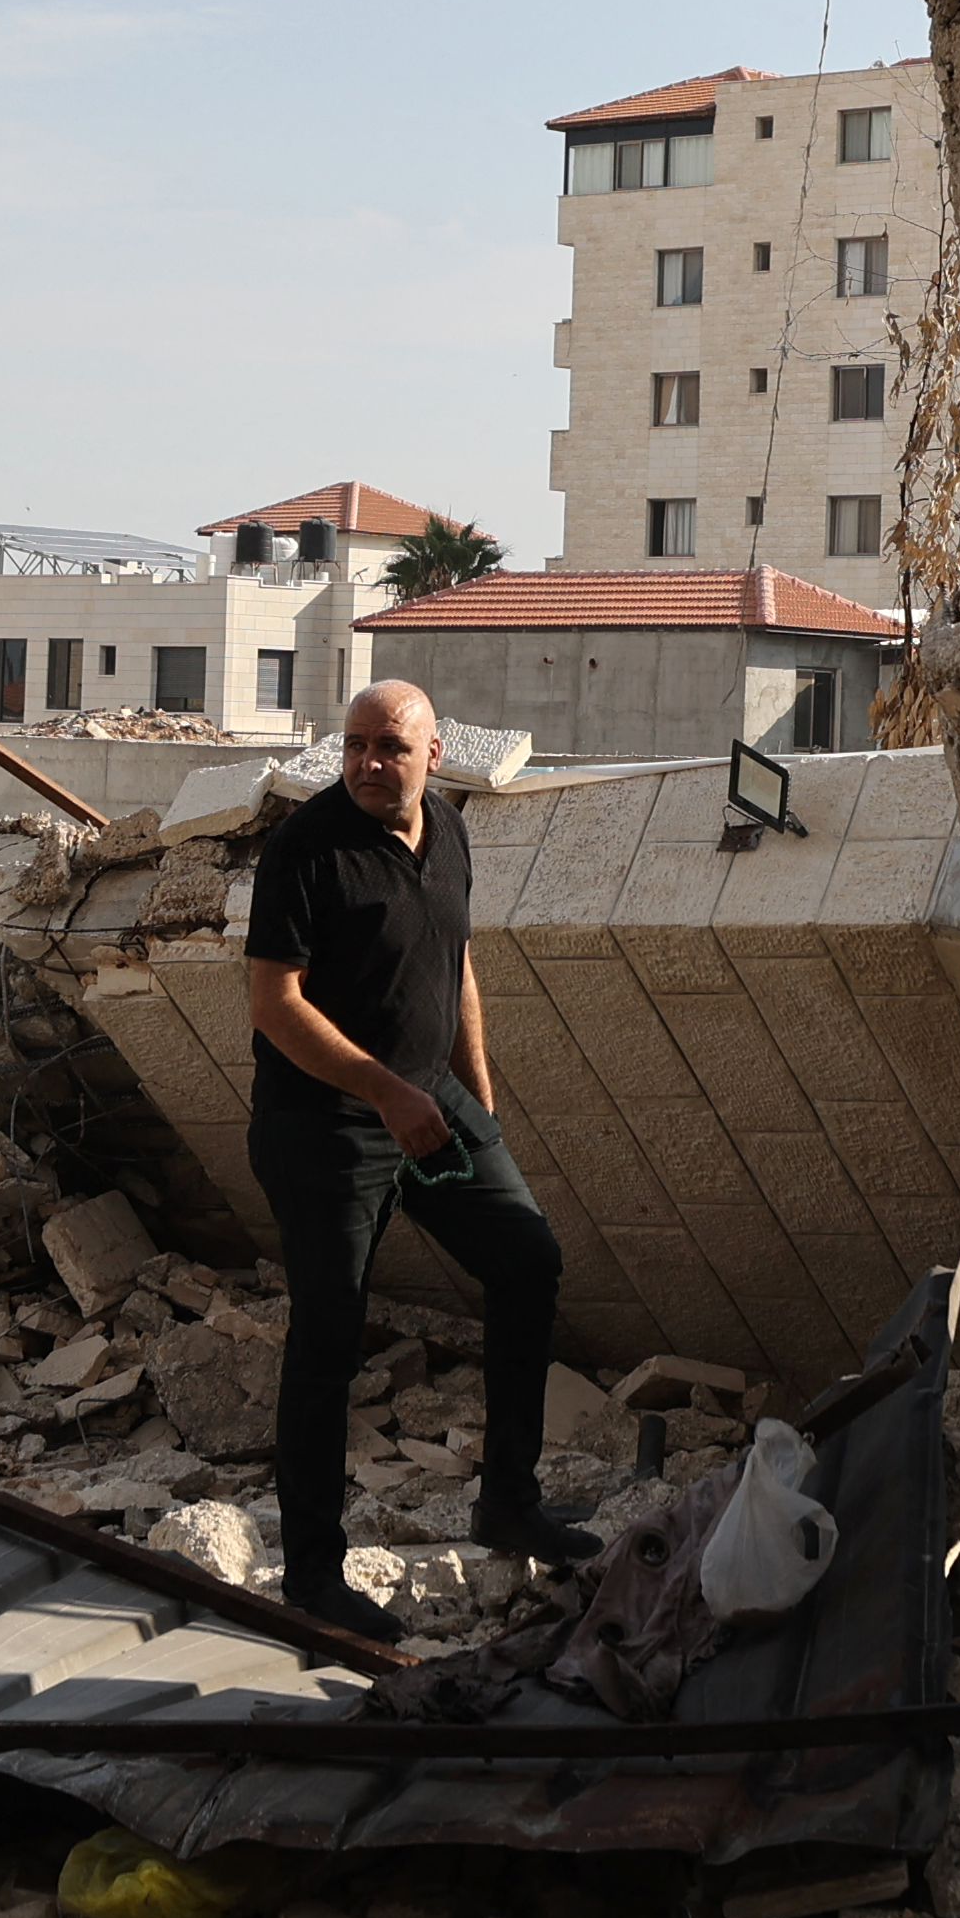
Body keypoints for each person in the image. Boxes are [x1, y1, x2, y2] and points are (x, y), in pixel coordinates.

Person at [239, 681, 591, 1644]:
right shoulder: (305, 849)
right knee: (331, 1334)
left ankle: (509, 1503)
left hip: (430, 1100)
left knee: (528, 1260)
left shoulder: (448, 830)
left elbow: (457, 963)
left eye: (388, 747)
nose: (366, 764)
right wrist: (385, 1095)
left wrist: (474, 1092)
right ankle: (313, 1574)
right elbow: (275, 1006)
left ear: (432, 754)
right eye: (353, 746)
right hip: (324, 1125)